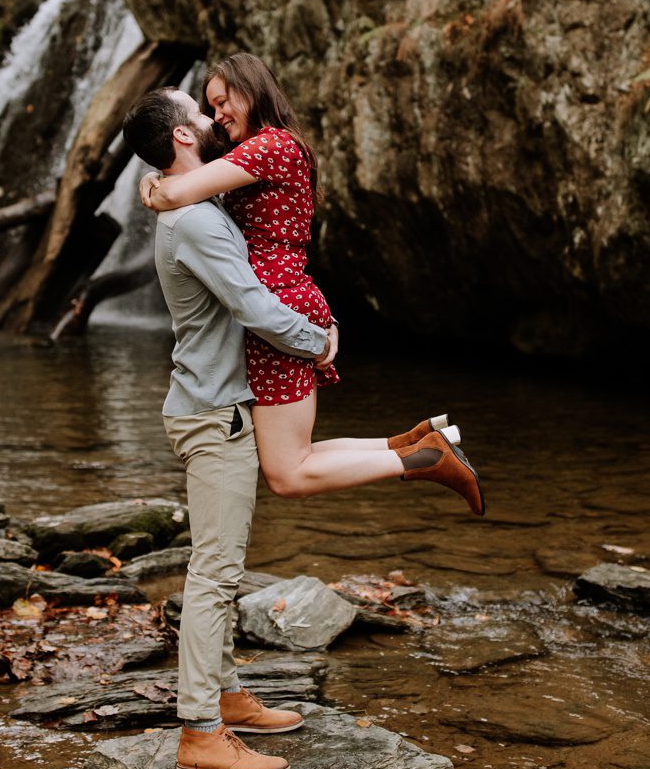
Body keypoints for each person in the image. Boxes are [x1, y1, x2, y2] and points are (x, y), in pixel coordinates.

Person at [118, 86, 475, 769]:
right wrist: (319, 340)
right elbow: (252, 305)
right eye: (200, 111)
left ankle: (225, 695)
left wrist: (157, 184)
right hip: (213, 414)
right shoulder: (195, 221)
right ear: (182, 136)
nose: (212, 119)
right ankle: (199, 733)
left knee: (220, 566)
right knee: (214, 575)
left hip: (215, 405)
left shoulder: (194, 201)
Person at [138, 54, 482, 513]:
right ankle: (414, 443)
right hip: (286, 300)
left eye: (222, 102)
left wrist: (152, 186)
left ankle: (425, 459)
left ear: (251, 90)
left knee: (288, 473)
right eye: (210, 107)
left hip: (275, 310)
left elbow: (180, 189)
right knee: (296, 457)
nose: (217, 115)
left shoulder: (269, 147)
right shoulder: (261, 148)